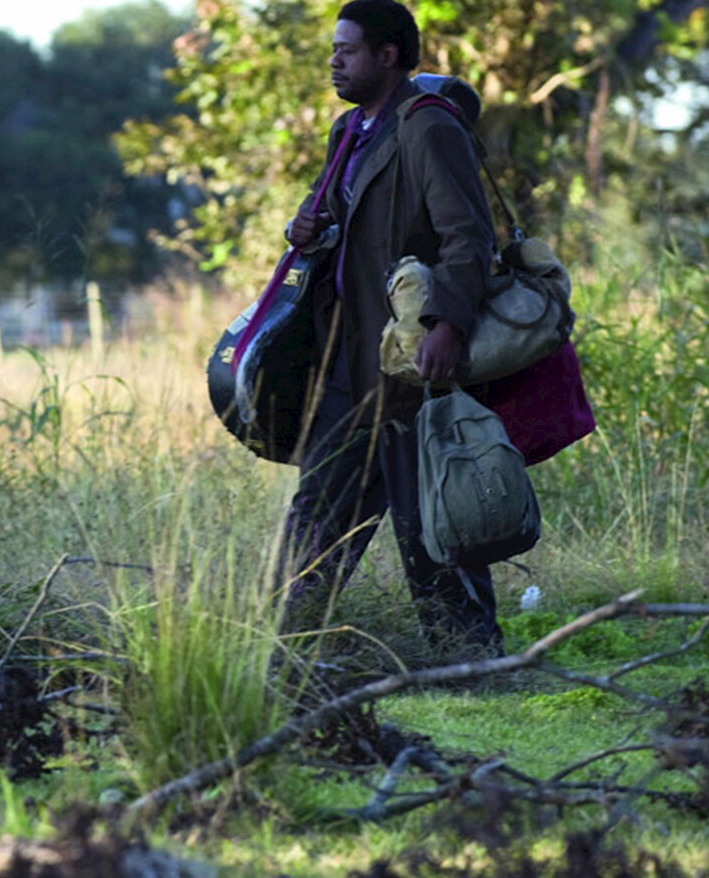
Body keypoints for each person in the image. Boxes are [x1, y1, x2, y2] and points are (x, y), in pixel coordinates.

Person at [276, 0, 503, 656]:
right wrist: (303, 227)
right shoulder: (349, 129)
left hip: (411, 361)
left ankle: (472, 661)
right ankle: (286, 650)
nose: (334, 61)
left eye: (347, 50)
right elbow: (332, 211)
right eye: (334, 50)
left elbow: (467, 236)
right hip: (346, 355)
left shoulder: (428, 125)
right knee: (320, 504)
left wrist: (447, 326)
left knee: (431, 520)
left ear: (388, 55)